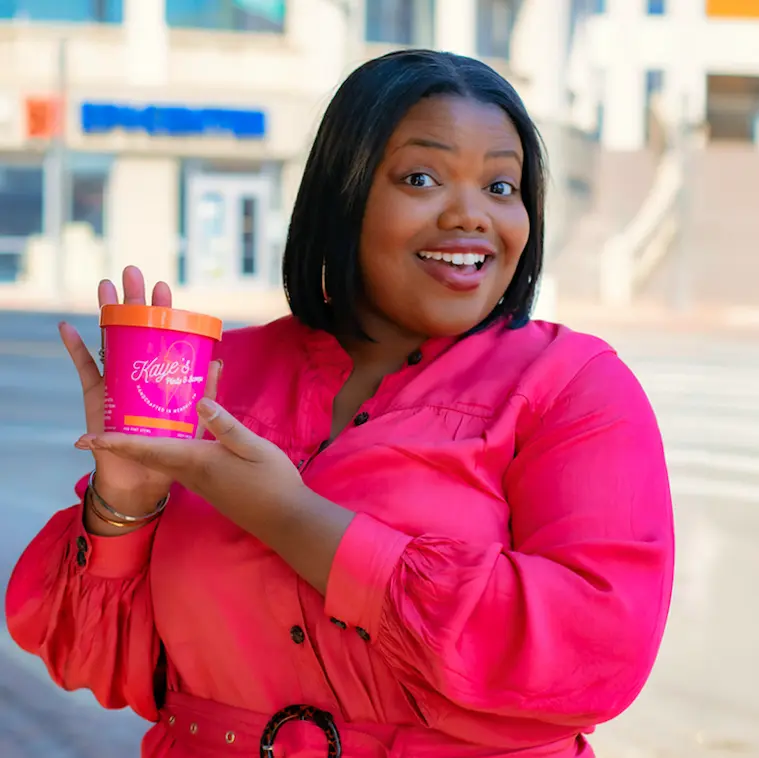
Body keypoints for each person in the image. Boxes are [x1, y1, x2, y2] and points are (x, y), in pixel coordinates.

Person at [5, 50, 674, 758]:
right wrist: (127, 501)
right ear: (343, 193)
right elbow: (96, 661)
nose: (471, 215)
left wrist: (290, 517)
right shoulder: (224, 374)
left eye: (502, 185)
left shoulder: (573, 385)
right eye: (422, 177)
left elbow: (594, 651)